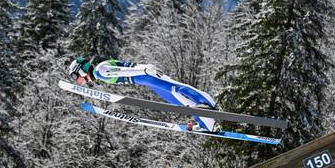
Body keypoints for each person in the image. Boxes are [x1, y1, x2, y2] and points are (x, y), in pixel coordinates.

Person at [68, 56, 221, 132]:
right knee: (176, 99)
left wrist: (145, 70)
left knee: (176, 89)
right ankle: (206, 123)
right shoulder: (99, 71)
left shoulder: (99, 71)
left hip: (146, 76)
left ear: (81, 70)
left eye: (76, 77)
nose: (78, 81)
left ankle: (207, 104)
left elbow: (124, 70)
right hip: (145, 79)